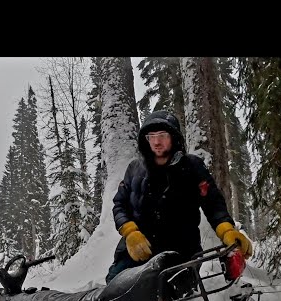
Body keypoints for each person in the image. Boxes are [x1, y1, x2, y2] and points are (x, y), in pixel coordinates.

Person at [106, 110, 253, 284]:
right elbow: (119, 205)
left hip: (181, 253)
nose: (156, 142)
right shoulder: (134, 169)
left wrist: (227, 230)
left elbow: (213, 204)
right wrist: (130, 233)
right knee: (114, 294)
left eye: (162, 135)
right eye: (151, 136)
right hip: (138, 251)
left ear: (174, 137)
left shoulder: (192, 167)